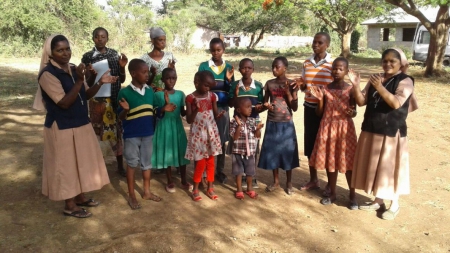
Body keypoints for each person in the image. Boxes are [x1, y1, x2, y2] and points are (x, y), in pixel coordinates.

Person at [37, 35, 115, 218]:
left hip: (80, 122)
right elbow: (63, 103)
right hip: (61, 127)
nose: (65, 53)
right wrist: (80, 80)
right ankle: (70, 205)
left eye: (67, 49)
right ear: (51, 53)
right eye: (60, 50)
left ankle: (80, 197)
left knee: (80, 162)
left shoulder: (73, 69)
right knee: (66, 165)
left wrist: (100, 82)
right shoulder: (47, 74)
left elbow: (85, 95)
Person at [349, 48, 418, 220]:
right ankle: (378, 200)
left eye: (392, 61)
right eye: (385, 61)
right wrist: (356, 85)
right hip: (372, 128)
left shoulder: (406, 80)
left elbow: (396, 103)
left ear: (400, 63)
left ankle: (394, 205)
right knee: (376, 167)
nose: (388, 64)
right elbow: (362, 101)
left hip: (391, 132)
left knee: (390, 168)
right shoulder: (376, 78)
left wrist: (379, 87)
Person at [308, 57, 358, 209]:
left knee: (348, 163)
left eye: (340, 69)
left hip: (344, 129)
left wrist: (352, 112)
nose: (336, 71)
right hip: (328, 128)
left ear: (347, 71)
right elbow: (319, 113)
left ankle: (353, 195)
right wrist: (320, 99)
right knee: (331, 162)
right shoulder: (325, 89)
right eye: (334, 68)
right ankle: (332, 192)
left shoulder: (350, 89)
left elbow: (354, 111)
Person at [81, 27, 128, 177]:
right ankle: (98, 166)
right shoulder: (88, 56)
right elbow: (85, 81)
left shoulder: (114, 55)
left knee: (116, 132)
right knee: (97, 133)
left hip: (112, 99)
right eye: (97, 37)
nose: (100, 39)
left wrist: (122, 68)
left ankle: (120, 166)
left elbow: (122, 79)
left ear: (107, 38)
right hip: (95, 100)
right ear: (93, 38)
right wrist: (91, 75)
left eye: (103, 36)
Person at [117, 59, 161, 210]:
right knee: (131, 164)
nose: (147, 75)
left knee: (147, 164)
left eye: (147, 72)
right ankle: (131, 195)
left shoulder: (149, 91)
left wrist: (164, 109)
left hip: (148, 133)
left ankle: (147, 192)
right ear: (133, 73)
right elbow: (119, 117)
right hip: (131, 135)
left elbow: (155, 110)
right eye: (143, 72)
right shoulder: (124, 92)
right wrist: (125, 110)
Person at [293, 32, 334, 193]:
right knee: (310, 143)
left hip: (326, 111)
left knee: (327, 145)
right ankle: (313, 179)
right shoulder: (307, 63)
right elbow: (305, 87)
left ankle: (330, 184)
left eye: (320, 42)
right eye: (314, 42)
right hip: (309, 107)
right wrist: (300, 85)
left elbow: (336, 86)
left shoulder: (332, 64)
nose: (316, 45)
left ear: (327, 45)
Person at [258, 57, 300, 195]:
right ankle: (276, 181)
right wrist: (266, 105)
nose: (274, 69)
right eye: (273, 67)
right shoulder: (269, 84)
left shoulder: (292, 84)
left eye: (277, 67)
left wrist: (288, 92)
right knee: (273, 151)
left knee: (288, 152)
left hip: (286, 123)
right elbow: (265, 103)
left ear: (285, 68)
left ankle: (289, 182)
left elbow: (294, 107)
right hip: (272, 121)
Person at [198, 38, 234, 184]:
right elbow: (200, 85)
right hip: (207, 107)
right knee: (206, 138)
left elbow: (230, 90)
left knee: (221, 139)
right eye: (213, 50)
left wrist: (228, 81)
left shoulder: (229, 67)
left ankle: (219, 170)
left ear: (223, 50)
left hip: (223, 108)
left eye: (218, 50)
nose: (216, 53)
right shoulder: (204, 66)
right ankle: (206, 170)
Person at [185, 71, 224, 201]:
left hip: (210, 133)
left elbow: (214, 113)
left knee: (211, 161)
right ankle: (196, 188)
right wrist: (196, 108)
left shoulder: (212, 96)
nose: (208, 88)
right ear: (197, 82)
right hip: (198, 134)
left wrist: (218, 116)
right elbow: (189, 120)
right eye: (206, 85)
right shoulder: (190, 98)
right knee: (200, 162)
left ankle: (210, 187)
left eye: (210, 86)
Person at [152, 68, 192, 193]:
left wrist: (192, 106)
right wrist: (164, 107)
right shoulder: (157, 95)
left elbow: (182, 112)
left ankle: (184, 180)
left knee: (181, 150)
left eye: (173, 78)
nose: (171, 80)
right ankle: (169, 180)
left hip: (177, 126)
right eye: (168, 78)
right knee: (167, 151)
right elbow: (154, 113)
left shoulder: (180, 94)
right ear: (163, 79)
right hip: (164, 127)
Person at [229, 58, 264, 188]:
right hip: (238, 122)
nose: (246, 70)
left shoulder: (259, 86)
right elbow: (231, 104)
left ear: (253, 69)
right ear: (239, 70)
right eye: (243, 68)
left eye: (249, 68)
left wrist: (262, 107)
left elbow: (261, 104)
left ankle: (251, 177)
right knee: (238, 150)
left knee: (253, 150)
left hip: (253, 122)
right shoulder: (235, 85)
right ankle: (240, 176)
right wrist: (236, 95)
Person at [230, 97, 264, 200]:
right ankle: (239, 189)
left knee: (250, 172)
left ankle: (249, 188)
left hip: (250, 152)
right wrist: (239, 126)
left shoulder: (253, 121)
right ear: (239, 110)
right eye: (248, 107)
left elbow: (258, 136)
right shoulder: (233, 122)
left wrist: (258, 129)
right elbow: (234, 137)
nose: (250, 109)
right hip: (238, 151)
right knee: (238, 172)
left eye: (251, 106)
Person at [141, 27, 176, 91]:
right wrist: (152, 74)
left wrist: (172, 70)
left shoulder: (169, 56)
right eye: (160, 40)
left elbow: (174, 77)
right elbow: (142, 81)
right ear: (152, 40)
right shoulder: (144, 59)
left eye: (164, 40)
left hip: (165, 93)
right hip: (150, 93)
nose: (163, 43)